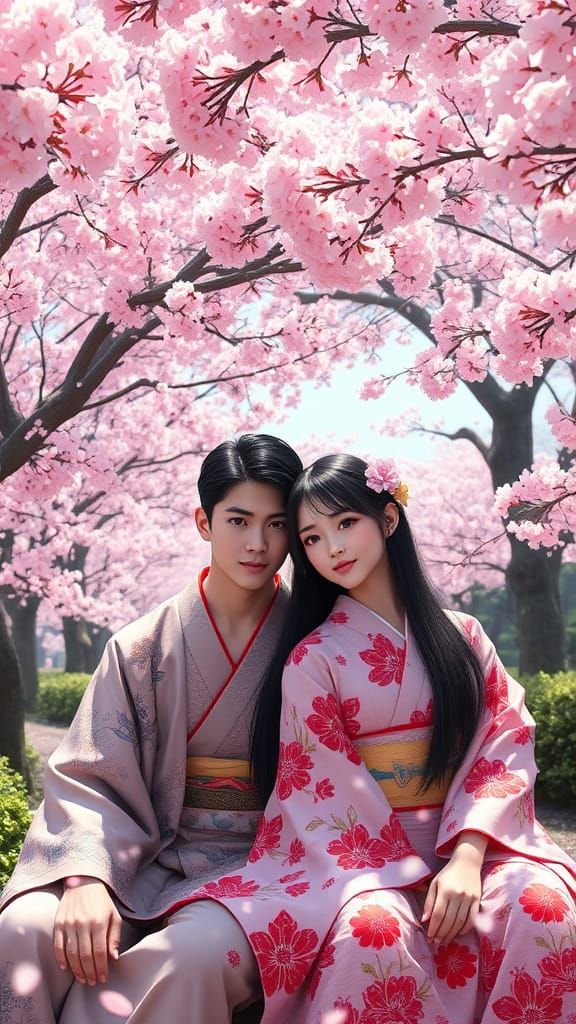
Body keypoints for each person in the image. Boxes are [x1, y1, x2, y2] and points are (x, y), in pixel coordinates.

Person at [187, 453, 576, 1023]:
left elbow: (503, 743)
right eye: (312, 538)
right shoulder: (314, 660)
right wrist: (405, 876)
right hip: (363, 865)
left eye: (346, 523)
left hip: (478, 844)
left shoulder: (465, 636)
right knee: (373, 932)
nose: (333, 548)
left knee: (540, 904)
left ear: (388, 519)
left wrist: (466, 858)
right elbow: (319, 792)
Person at [0, 433, 302, 1024]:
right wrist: (85, 877)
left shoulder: (315, 643)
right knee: (24, 931)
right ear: (203, 522)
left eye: (277, 525)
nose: (258, 544)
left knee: (188, 958)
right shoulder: (141, 646)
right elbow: (91, 776)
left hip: (265, 868)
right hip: (147, 857)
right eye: (238, 520)